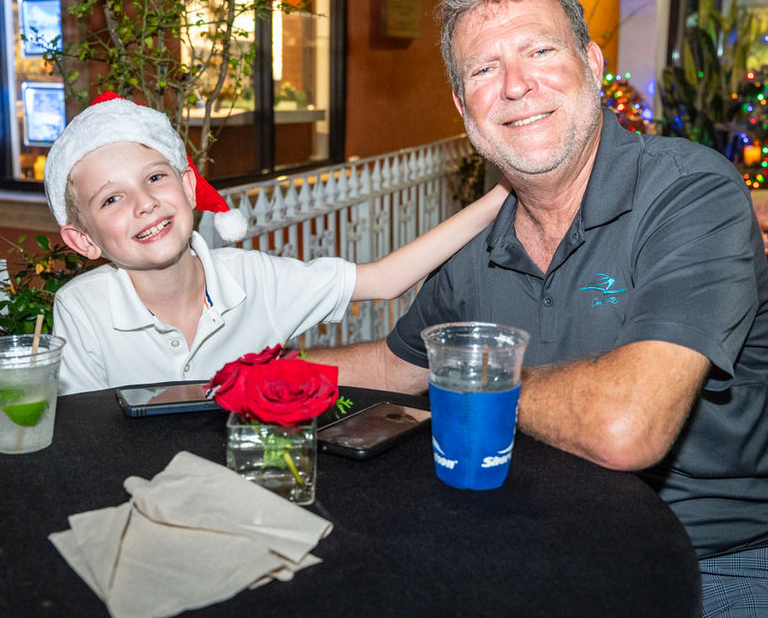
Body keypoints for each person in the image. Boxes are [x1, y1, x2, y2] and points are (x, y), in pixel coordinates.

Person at [318, 0, 768, 618]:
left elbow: (625, 426)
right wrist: (242, 368)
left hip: (729, 564)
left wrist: (473, 377)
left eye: (540, 50)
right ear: (463, 106)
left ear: (592, 64)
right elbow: (394, 367)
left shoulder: (690, 193)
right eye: (484, 69)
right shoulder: (476, 247)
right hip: (544, 545)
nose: (515, 85)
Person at [43, 92, 508, 396]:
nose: (144, 203)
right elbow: (86, 434)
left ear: (188, 187)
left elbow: (384, 280)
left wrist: (503, 194)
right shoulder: (82, 309)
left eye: (154, 178)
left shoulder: (253, 278)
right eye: (112, 199)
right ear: (83, 239)